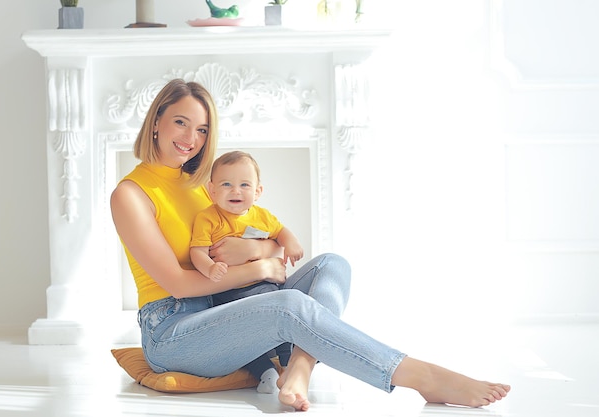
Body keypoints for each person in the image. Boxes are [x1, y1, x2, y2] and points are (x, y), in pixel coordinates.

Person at [110, 78, 511, 412]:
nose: (191, 139)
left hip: (226, 306)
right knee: (287, 306)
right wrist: (260, 269)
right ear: (156, 120)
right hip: (174, 330)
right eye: (181, 123)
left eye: (201, 130)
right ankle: (420, 376)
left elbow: (264, 244)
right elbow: (179, 284)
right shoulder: (132, 193)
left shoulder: (204, 186)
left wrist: (259, 254)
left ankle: (299, 364)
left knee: (332, 265)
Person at [190, 150, 303, 393]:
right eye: (226, 184)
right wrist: (209, 267)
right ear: (212, 190)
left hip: (265, 288)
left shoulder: (262, 216)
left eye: (244, 185)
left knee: (283, 323)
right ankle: (266, 372)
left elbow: (281, 232)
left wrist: (291, 243)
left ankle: (288, 363)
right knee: (242, 342)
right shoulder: (208, 218)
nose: (236, 191)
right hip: (228, 294)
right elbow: (196, 251)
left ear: (257, 191)